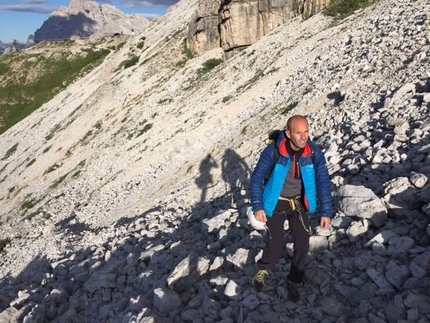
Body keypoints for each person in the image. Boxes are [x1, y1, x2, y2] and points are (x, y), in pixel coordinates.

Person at [249, 114, 333, 302]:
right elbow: (256, 179)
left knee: (303, 242)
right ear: (288, 134)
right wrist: (258, 206)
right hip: (276, 200)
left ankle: (294, 280)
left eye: (306, 132)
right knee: (275, 243)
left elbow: (323, 181)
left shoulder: (313, 152)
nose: (304, 137)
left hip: (299, 201)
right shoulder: (273, 151)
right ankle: (262, 269)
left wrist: (326, 211)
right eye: (298, 133)